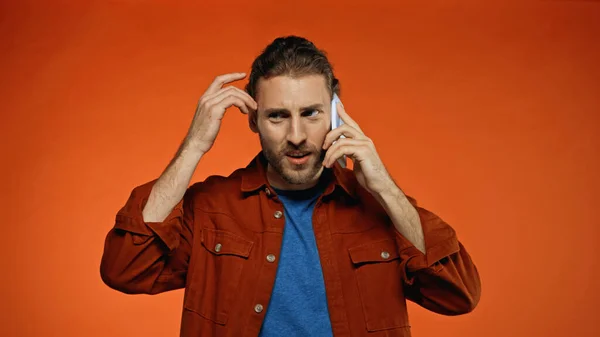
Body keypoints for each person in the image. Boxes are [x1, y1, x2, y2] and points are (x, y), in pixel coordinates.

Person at [100, 35, 481, 337]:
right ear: (253, 120)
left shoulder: (379, 209)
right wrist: (194, 146)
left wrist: (384, 189)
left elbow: (458, 294)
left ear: (335, 113)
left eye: (311, 113)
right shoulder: (210, 210)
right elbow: (125, 268)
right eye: (278, 116)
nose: (296, 135)